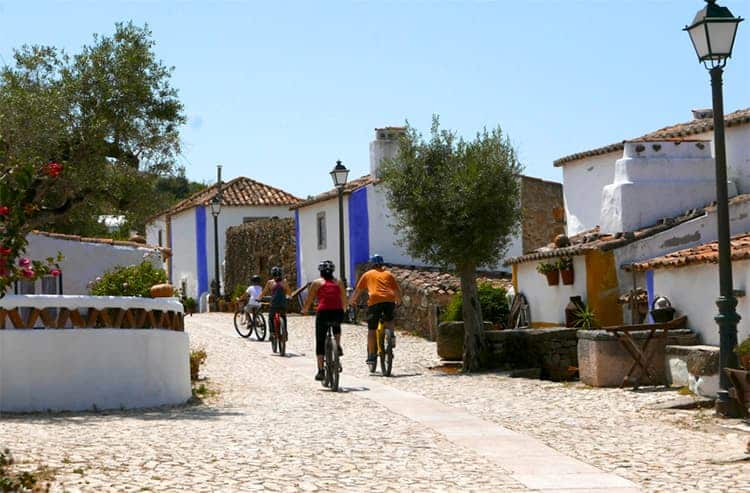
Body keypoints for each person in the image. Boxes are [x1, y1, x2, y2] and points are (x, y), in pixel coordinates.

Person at [349, 254, 401, 365]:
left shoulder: (367, 274)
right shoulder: (389, 274)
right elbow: (396, 290)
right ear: (382, 264)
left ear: (371, 264)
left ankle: (372, 355)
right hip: (389, 299)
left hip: (375, 300)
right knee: (389, 319)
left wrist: (352, 302)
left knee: (372, 330)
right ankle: (391, 335)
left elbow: (358, 291)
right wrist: (398, 301)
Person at [302, 260, 348, 381]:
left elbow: (310, 299)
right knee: (336, 325)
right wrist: (345, 309)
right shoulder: (338, 282)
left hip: (323, 312)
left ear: (320, 271)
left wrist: (305, 310)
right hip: (337, 312)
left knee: (320, 340)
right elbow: (344, 298)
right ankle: (337, 345)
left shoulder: (317, 283)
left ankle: (321, 370)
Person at [260, 266, 291, 345]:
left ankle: (272, 333)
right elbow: (289, 293)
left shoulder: (270, 282)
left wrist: (259, 298)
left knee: (270, 318)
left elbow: (264, 293)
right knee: (283, 317)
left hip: (273, 304)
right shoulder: (284, 282)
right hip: (283, 304)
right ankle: (285, 333)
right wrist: (288, 297)